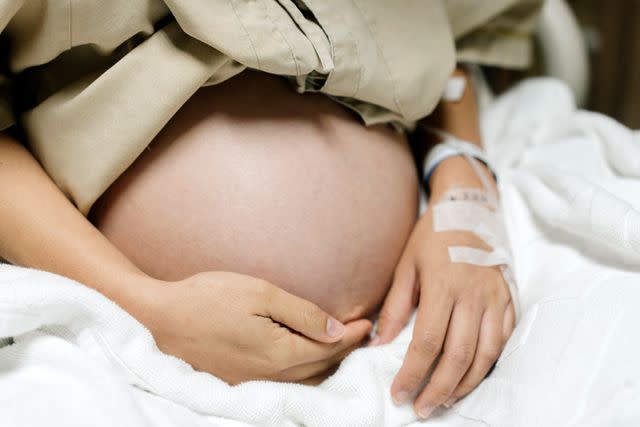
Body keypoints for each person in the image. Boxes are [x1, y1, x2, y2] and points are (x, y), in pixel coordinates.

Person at [0, 0, 541, 419]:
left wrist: (464, 192)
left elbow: (454, 40)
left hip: (420, 311)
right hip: (126, 342)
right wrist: (142, 309)